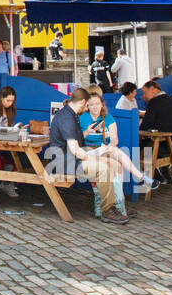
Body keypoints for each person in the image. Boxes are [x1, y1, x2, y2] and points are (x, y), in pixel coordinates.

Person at [47, 88, 126, 223]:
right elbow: (75, 149)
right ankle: (107, 210)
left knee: (111, 165)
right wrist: (92, 158)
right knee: (103, 169)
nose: (88, 108)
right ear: (83, 102)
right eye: (87, 105)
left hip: (69, 159)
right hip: (66, 162)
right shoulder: (67, 118)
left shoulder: (70, 114)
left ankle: (117, 206)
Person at [80, 90, 156, 192]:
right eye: (92, 104)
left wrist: (111, 145)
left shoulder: (107, 118)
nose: (95, 107)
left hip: (103, 149)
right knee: (115, 160)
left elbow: (114, 139)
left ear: (102, 104)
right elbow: (76, 139)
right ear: (87, 106)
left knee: (116, 154)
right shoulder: (82, 118)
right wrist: (87, 131)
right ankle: (141, 177)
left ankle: (139, 180)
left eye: (97, 104)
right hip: (87, 150)